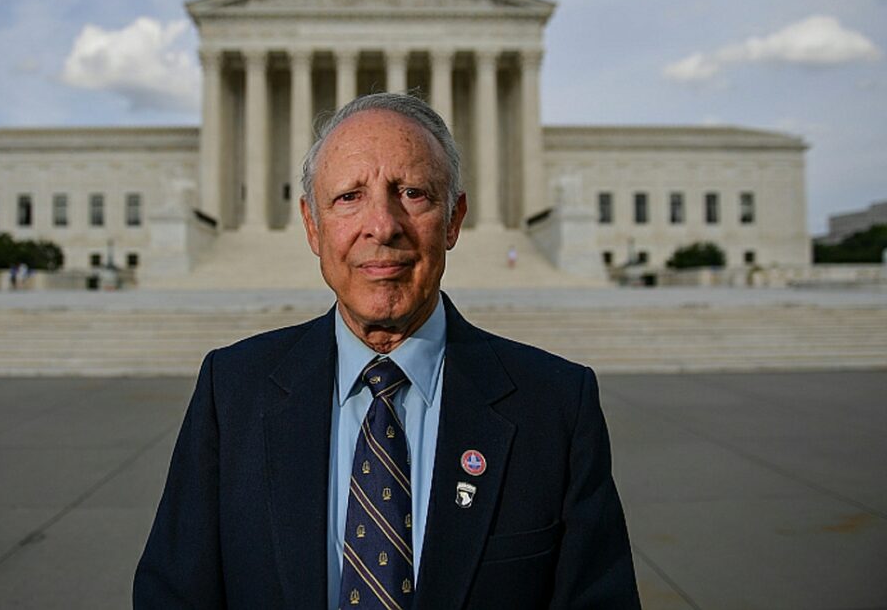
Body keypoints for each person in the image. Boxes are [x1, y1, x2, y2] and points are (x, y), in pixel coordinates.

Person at [134, 93, 640, 609]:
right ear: (312, 225)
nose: (382, 225)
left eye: (413, 192)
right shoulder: (233, 391)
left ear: (453, 219)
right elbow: (174, 595)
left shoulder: (554, 405)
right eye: (349, 197)